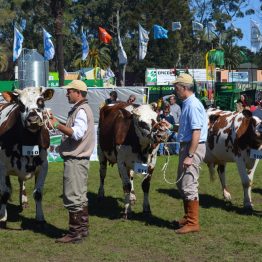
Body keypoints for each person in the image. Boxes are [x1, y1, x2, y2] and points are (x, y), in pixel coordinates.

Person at [48, 80, 95, 243]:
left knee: (72, 196)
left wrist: (57, 125)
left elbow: (77, 134)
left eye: (70, 91)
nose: (67, 93)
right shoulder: (82, 109)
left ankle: (75, 232)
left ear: (78, 92)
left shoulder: (81, 110)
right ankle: (82, 229)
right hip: (79, 159)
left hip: (76, 159)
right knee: (80, 196)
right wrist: (56, 123)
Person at [170, 73, 208, 234]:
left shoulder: (192, 105)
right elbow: (189, 129)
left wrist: (190, 156)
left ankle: (193, 222)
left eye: (176, 87)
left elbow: (196, 133)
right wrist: (172, 128)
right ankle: (188, 217)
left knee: (189, 184)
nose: (175, 91)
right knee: (182, 183)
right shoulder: (188, 103)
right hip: (189, 145)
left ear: (184, 88)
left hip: (193, 147)